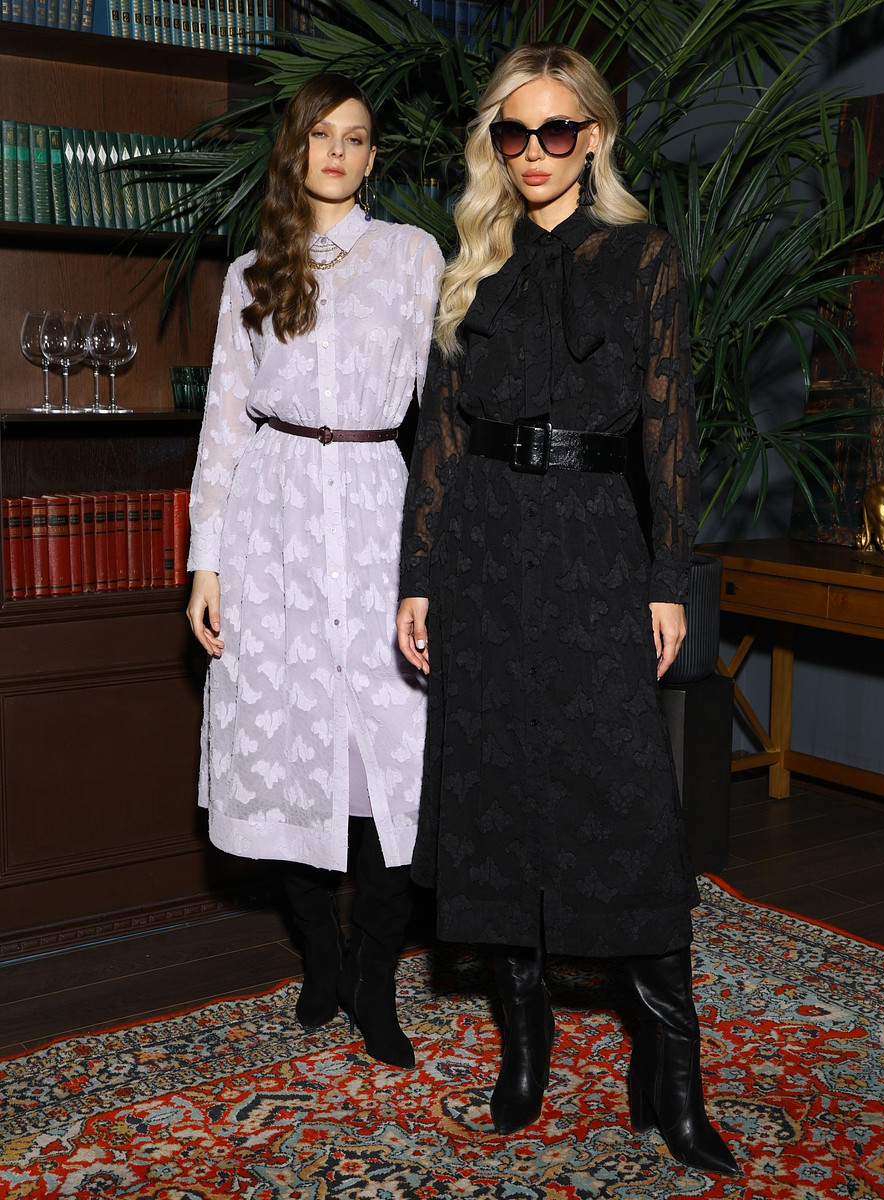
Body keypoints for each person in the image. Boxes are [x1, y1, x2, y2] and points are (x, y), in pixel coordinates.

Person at [396, 44, 739, 1175]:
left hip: (596, 548)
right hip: (485, 551)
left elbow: (672, 427)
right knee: (497, 793)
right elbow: (440, 437)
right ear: (495, 145)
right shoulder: (474, 265)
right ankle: (525, 1044)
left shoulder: (642, 254)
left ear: (593, 136)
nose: (534, 152)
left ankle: (672, 1067)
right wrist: (419, 575)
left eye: (556, 130)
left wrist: (668, 579)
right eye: (514, 132)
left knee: (622, 797)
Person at [187, 73, 443, 1070]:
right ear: (295, 150)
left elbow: (443, 418)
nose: (337, 151)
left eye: (356, 137)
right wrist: (207, 563)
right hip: (274, 526)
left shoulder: (412, 256)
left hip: (378, 513)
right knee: (292, 754)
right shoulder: (253, 272)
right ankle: (322, 959)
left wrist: (438, 555)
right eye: (320, 135)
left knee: (390, 765)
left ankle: (376, 976)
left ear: (374, 158)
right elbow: (222, 423)